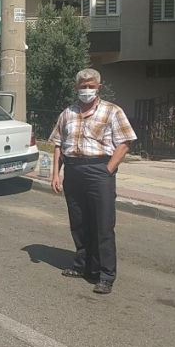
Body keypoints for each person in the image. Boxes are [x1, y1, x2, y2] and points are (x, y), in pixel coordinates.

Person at [48, 68, 137, 294]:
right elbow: (58, 143)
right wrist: (56, 173)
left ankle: (105, 274)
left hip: (99, 170)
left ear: (99, 87)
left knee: (103, 225)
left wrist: (108, 170)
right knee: (79, 222)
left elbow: (124, 143)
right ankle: (83, 266)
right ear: (75, 87)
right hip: (74, 170)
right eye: (83, 86)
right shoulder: (67, 113)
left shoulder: (112, 111)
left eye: (91, 86)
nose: (86, 90)